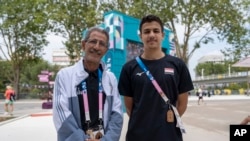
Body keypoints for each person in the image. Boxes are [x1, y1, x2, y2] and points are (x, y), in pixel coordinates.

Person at [118, 15, 194, 141]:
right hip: (138, 136)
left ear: (162, 35)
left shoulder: (178, 65)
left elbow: (183, 104)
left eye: (156, 31)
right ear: (140, 36)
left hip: (169, 135)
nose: (151, 35)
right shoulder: (129, 68)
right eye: (147, 31)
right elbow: (129, 108)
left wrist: (166, 124)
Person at [53, 27, 123, 141]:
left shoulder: (111, 79)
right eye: (93, 41)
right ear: (83, 44)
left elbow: (117, 114)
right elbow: (61, 114)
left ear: (106, 50)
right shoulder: (64, 76)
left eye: (102, 44)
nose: (96, 47)